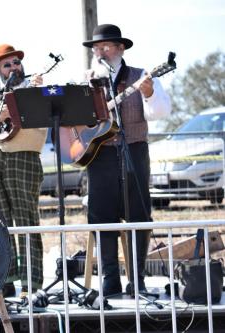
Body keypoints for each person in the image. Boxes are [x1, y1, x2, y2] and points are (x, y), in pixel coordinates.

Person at [82, 24, 171, 295]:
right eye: (97, 48)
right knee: (101, 215)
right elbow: (75, 122)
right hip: (99, 154)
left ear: (120, 49)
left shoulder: (141, 76)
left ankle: (138, 279)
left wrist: (148, 93)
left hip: (134, 150)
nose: (100, 52)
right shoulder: (85, 80)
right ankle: (110, 278)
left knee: (138, 213)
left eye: (105, 47)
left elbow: (161, 111)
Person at [0, 44, 47, 296]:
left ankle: (31, 284)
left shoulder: (34, 86)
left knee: (26, 220)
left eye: (16, 62)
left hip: (24, 157)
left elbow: (45, 118)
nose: (14, 67)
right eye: (7, 64)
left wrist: (37, 92)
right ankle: (4, 281)